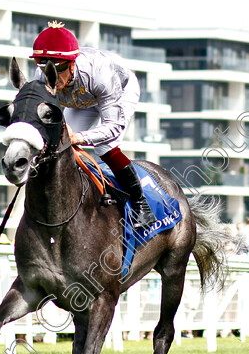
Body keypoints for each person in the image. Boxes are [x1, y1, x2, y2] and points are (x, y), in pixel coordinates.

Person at [30, 21, 155, 229]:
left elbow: (113, 127)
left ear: (72, 63)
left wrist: (78, 137)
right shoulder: (41, 77)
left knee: (104, 146)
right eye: (43, 65)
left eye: (57, 67)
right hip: (82, 99)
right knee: (58, 145)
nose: (50, 74)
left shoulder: (100, 74)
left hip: (118, 91)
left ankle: (141, 206)